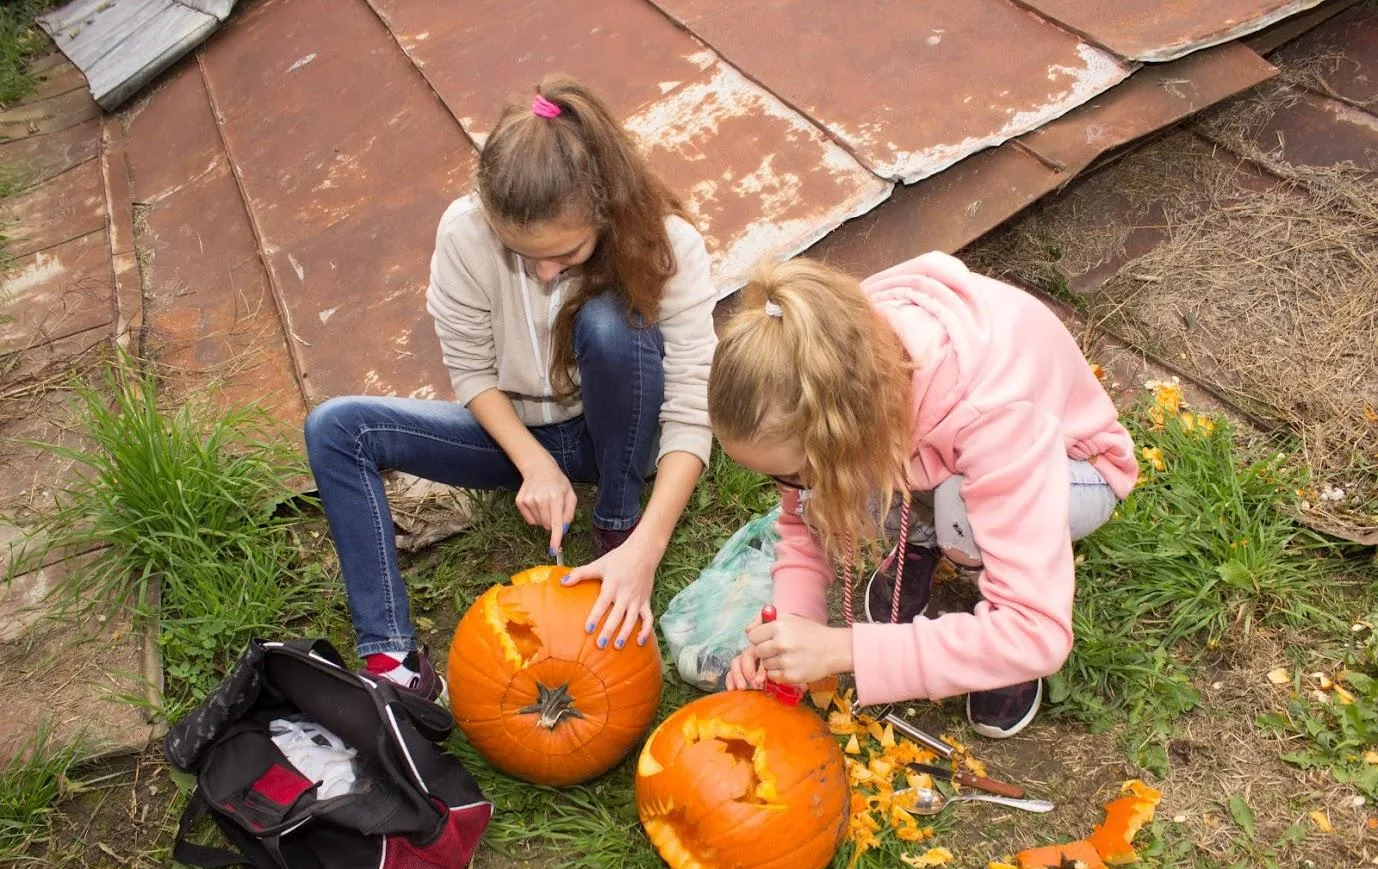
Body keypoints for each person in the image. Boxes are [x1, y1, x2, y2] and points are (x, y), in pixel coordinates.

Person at [305, 76, 717, 701]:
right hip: (514, 432)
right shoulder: (464, 233)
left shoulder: (669, 243)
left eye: (565, 253)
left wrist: (648, 551)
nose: (545, 271)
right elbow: (470, 370)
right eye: (523, 255)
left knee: (613, 326)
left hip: (620, 424)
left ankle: (618, 525)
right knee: (336, 428)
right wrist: (534, 462)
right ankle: (393, 664)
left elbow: (690, 407)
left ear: (605, 210)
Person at [709, 254, 1137, 738]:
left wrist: (842, 649)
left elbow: (1036, 632)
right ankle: (927, 535)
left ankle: (989, 631)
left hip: (1076, 469)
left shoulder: (992, 414)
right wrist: (789, 632)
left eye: (794, 474)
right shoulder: (825, 357)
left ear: (842, 432)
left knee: (962, 511)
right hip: (941, 452)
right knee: (870, 488)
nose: (793, 491)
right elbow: (803, 518)